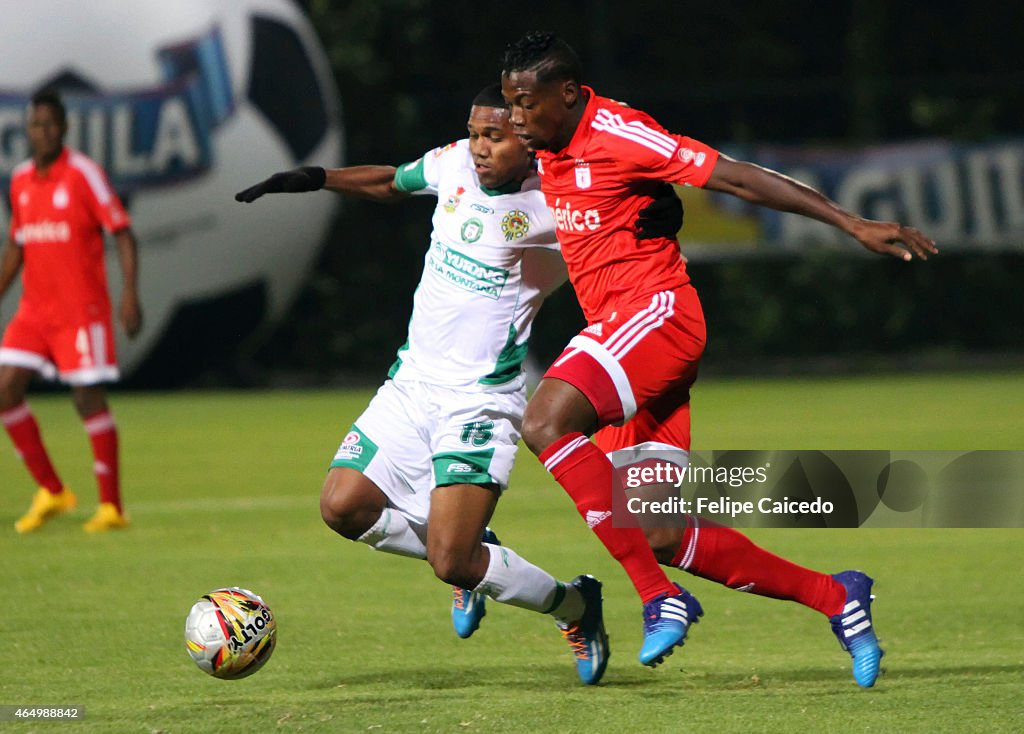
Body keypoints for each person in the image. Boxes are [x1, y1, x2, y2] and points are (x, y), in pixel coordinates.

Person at [500, 31, 937, 686]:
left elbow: (734, 175)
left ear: (566, 95)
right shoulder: (546, 144)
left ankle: (657, 597)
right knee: (659, 534)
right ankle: (836, 596)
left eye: (524, 103)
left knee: (544, 423)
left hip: (657, 318)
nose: (515, 118)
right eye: (507, 104)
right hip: (628, 347)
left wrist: (851, 224)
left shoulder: (619, 131)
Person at [235, 84, 681, 686]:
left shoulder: (556, 202)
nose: (477, 148)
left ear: (528, 142)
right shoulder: (451, 164)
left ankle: (576, 606)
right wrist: (316, 178)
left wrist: (658, 208)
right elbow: (391, 182)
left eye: (493, 137)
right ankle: (478, 546)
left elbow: (622, 212)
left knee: (452, 562)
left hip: (481, 399)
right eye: (473, 133)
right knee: (342, 507)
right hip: (411, 382)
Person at [1, 89, 142, 534]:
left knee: (86, 398)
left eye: (49, 124)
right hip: (34, 311)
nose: (41, 132)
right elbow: (16, 246)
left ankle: (112, 507)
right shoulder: (21, 179)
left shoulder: (83, 174)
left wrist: (129, 293)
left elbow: (121, 231)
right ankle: (52, 489)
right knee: (4, 389)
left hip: (81, 312)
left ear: (63, 128)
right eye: (34, 125)